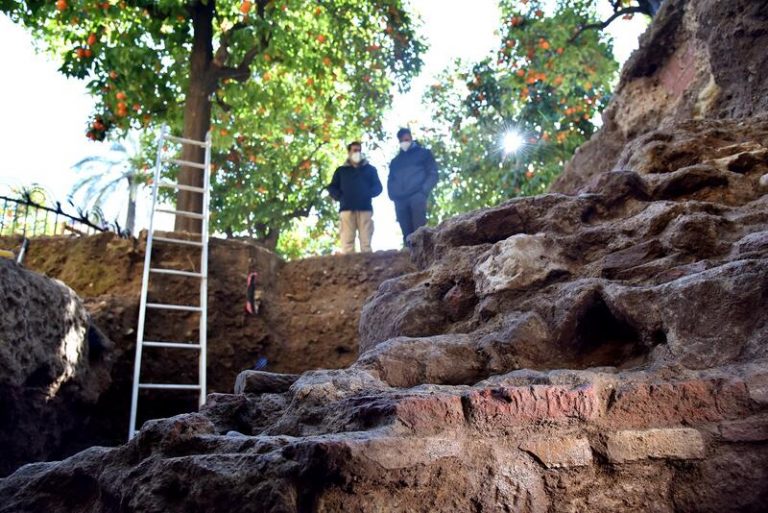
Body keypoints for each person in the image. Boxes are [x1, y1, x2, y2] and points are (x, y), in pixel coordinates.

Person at [327, 141, 383, 253]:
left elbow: (378, 187)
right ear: (349, 152)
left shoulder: (370, 170)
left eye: (359, 150)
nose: (357, 152)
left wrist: (367, 194)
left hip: (365, 209)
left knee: (366, 244)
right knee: (347, 243)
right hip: (346, 210)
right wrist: (340, 197)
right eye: (355, 150)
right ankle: (349, 269)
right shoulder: (340, 171)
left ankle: (368, 268)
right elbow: (332, 187)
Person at [387, 128, 438, 246]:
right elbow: (390, 180)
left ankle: (423, 256)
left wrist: (423, 191)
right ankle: (409, 259)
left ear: (411, 138)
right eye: (401, 140)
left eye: (406, 139)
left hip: (417, 196)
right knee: (406, 234)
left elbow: (433, 174)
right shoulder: (395, 161)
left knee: (419, 231)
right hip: (400, 200)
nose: (404, 141)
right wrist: (393, 196)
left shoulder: (424, 153)